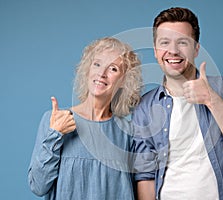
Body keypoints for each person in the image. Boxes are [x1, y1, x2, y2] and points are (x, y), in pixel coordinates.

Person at [133, 7, 223, 200]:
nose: (173, 51)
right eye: (165, 42)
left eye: (183, 42)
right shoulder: (144, 107)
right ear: (155, 50)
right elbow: (145, 176)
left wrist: (211, 99)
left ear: (196, 48)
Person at [28, 37, 143, 199]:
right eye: (97, 64)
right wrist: (55, 135)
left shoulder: (129, 132)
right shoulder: (55, 119)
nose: (102, 74)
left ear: (124, 80)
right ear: (87, 69)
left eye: (113, 69)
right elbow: (38, 186)